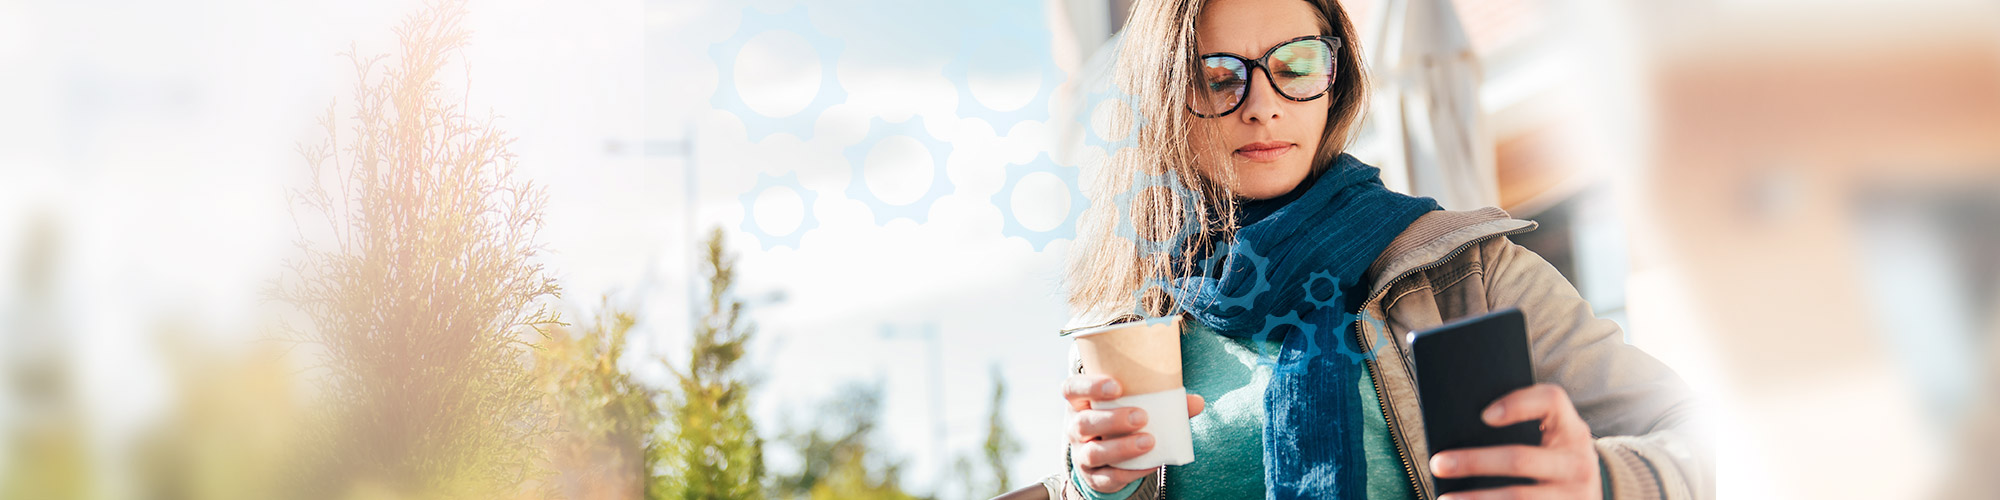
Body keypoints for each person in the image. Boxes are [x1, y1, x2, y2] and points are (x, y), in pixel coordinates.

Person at [1035, 0, 1713, 499]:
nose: (1263, 105)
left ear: (1335, 79)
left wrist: (1596, 480)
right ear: (1165, 99)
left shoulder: (1461, 268)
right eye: (1218, 77)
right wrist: (1092, 483)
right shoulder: (1132, 316)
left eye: (1294, 65)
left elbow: (1711, 441)